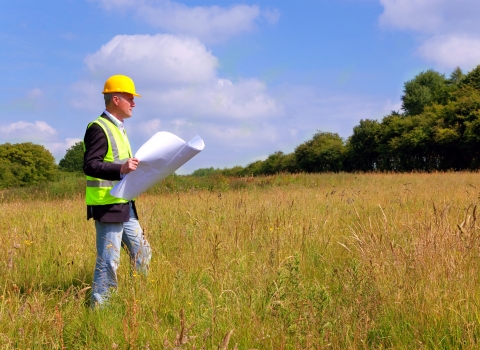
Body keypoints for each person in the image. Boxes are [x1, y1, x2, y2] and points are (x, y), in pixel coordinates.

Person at [83, 74, 152, 307]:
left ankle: (138, 300)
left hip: (125, 204)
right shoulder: (98, 127)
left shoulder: (119, 128)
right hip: (107, 204)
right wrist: (120, 168)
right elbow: (90, 164)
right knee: (108, 261)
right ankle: (100, 311)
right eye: (130, 98)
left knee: (143, 253)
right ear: (115, 99)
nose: (134, 103)